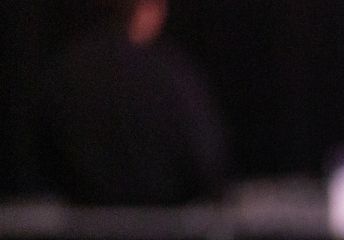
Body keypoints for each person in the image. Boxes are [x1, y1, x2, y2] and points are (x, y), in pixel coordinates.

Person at [36, 0, 227, 205]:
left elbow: (44, 154)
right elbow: (206, 162)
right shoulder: (170, 76)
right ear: (149, 7)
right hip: (166, 227)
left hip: (83, 227)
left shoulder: (67, 73)